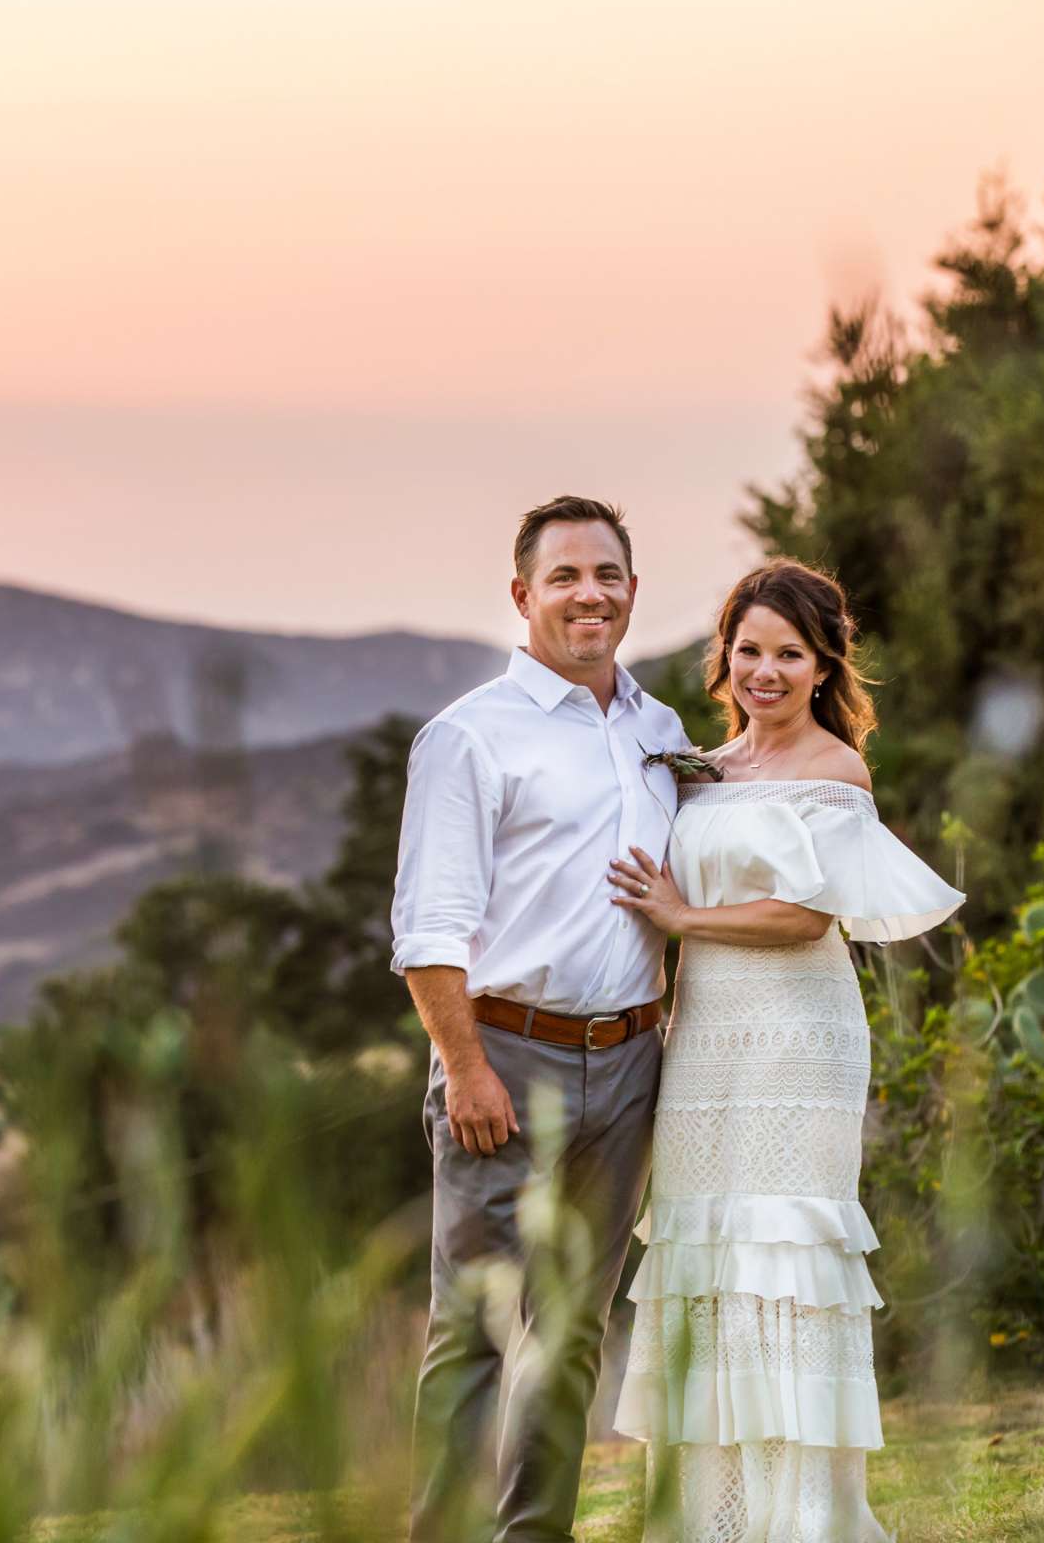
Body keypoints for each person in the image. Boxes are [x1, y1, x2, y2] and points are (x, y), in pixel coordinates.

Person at [607, 559, 964, 1543]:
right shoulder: (703, 769)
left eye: (788, 653)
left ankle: (804, 1520)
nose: (765, 670)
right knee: (705, 1256)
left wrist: (682, 913)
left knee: (786, 1254)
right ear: (724, 656)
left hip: (798, 1038)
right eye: (749, 649)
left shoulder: (835, 770)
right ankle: (709, 1521)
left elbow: (808, 917)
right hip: (705, 1040)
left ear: (822, 665)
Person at [391, 495, 696, 1543]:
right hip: (503, 1058)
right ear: (523, 596)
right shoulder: (469, 736)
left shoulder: (660, 733)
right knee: (474, 1328)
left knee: (568, 1334)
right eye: (564, 576)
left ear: (632, 591)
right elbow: (429, 929)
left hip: (627, 1066)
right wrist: (465, 1068)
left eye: (606, 574)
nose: (588, 594)